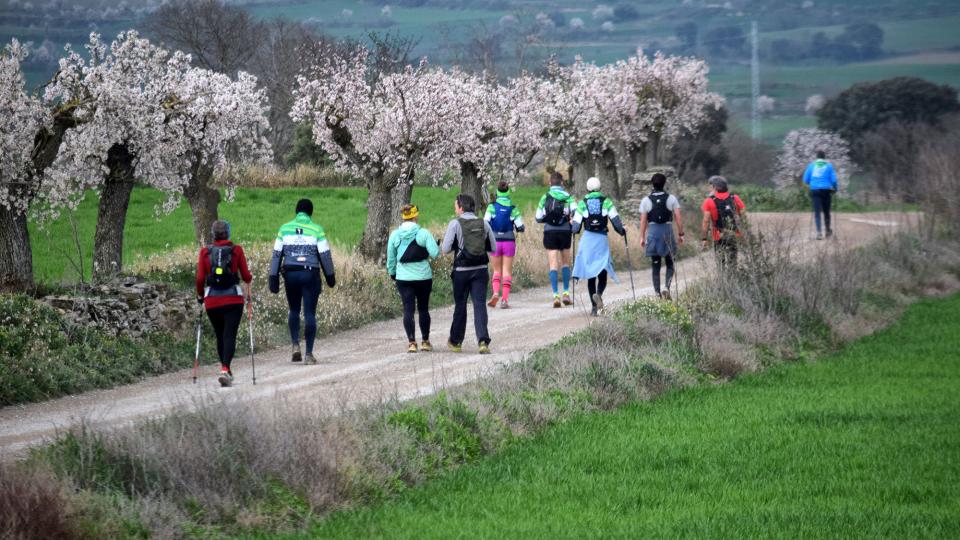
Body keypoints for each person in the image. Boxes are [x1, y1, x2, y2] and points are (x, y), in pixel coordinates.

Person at [268, 198, 336, 364]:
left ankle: (295, 345)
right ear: (310, 213)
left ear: (296, 212)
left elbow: (277, 254)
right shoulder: (316, 230)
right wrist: (330, 276)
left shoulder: (284, 229)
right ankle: (308, 354)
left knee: (293, 310)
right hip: (309, 274)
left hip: (290, 274)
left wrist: (273, 277)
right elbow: (325, 255)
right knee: (309, 313)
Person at [195, 220, 253, 387]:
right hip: (233, 299)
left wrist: (200, 295)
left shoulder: (205, 252)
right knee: (229, 335)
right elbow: (246, 276)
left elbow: (200, 279)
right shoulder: (236, 250)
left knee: (220, 335)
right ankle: (225, 369)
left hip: (212, 300)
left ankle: (225, 369)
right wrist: (249, 278)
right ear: (228, 233)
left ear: (213, 235)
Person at [442, 193, 498, 354]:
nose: (455, 209)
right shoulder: (484, 223)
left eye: (456, 206)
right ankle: (483, 342)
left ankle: (456, 342)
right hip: (480, 270)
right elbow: (493, 248)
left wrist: (457, 246)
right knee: (479, 305)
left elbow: (445, 249)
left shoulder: (455, 223)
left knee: (461, 305)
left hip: (461, 271)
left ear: (461, 207)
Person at [386, 204, 440, 353]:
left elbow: (391, 258)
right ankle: (425, 341)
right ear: (415, 216)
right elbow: (435, 253)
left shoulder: (395, 235)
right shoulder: (423, 233)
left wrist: (392, 273)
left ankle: (411, 343)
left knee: (408, 309)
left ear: (403, 217)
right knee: (423, 308)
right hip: (423, 277)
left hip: (403, 277)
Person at [572, 177, 626, 316]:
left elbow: (576, 228)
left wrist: (572, 226)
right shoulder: (606, 202)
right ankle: (599, 294)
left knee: (591, 275)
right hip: (601, 239)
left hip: (588, 239)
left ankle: (594, 308)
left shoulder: (582, 204)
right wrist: (622, 232)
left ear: (587, 189)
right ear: (600, 188)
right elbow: (616, 222)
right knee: (602, 272)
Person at [639, 173, 684, 300]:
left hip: (653, 232)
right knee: (670, 263)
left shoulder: (646, 200)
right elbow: (678, 218)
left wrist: (642, 237)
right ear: (664, 184)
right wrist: (681, 234)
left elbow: (643, 221)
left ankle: (658, 294)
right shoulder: (672, 199)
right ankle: (666, 287)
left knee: (655, 265)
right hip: (667, 232)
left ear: (652, 184)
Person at [536, 171, 577, 308]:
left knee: (553, 264)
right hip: (565, 231)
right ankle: (566, 293)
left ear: (550, 183)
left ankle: (555, 296)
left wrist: (547, 220)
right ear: (562, 183)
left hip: (550, 232)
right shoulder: (568, 197)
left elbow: (538, 217)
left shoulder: (545, 197)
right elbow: (576, 213)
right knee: (565, 263)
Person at [484, 181, 525, 309]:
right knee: (506, 271)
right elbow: (520, 227)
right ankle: (504, 300)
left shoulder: (491, 207)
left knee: (496, 270)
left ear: (497, 192)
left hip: (495, 241)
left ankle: (496, 293)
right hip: (509, 241)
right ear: (508, 192)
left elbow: (485, 223)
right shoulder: (513, 209)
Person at [701, 176, 746, 270]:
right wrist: (743, 233)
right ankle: (733, 280)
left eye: (710, 186)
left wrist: (704, 238)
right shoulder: (735, 198)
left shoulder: (709, 201)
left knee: (720, 263)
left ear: (714, 187)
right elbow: (743, 216)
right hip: (734, 234)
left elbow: (706, 221)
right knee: (733, 262)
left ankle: (723, 282)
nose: (709, 188)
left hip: (718, 236)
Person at [803, 150, 838, 240]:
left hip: (815, 191)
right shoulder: (829, 166)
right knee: (827, 212)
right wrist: (835, 189)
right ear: (824, 158)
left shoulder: (811, 166)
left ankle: (819, 233)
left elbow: (805, 180)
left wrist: (810, 186)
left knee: (817, 212)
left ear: (817, 157)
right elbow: (834, 181)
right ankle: (827, 231)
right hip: (826, 190)